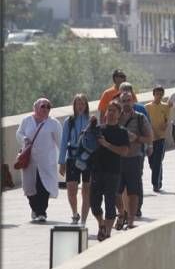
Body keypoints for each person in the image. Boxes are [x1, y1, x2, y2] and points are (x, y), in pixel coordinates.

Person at [16, 98, 61, 223]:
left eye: (48, 107)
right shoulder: (26, 121)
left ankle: (42, 212)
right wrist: (24, 139)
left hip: (46, 161)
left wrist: (64, 159)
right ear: (36, 108)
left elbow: (60, 142)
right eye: (43, 106)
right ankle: (34, 208)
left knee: (44, 186)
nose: (45, 109)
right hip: (29, 160)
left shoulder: (53, 123)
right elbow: (18, 133)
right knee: (29, 187)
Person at [91, 102, 130, 241]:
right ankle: (101, 224)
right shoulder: (98, 129)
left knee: (110, 202)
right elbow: (86, 145)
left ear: (119, 114)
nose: (111, 113)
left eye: (114, 111)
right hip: (96, 171)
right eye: (109, 110)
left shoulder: (122, 132)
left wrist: (107, 145)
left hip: (112, 172)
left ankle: (107, 233)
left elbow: (124, 151)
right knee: (94, 204)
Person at [115, 91, 153, 230]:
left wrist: (135, 138)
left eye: (128, 100)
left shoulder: (140, 118)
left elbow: (149, 138)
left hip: (134, 158)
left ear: (133, 101)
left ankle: (130, 220)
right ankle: (121, 214)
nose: (126, 103)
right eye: (123, 101)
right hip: (117, 159)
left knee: (133, 191)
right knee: (115, 191)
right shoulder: (115, 117)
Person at [58, 94, 91, 224]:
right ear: (74, 105)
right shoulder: (69, 121)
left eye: (83, 103)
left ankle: (83, 219)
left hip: (88, 158)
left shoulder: (91, 120)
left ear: (86, 105)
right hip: (72, 157)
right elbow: (63, 142)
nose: (81, 106)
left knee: (86, 190)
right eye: (78, 103)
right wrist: (61, 162)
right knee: (71, 188)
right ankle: (74, 213)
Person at [145, 86, 170, 193]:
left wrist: (165, 125)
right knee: (152, 162)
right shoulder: (147, 107)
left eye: (161, 94)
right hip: (150, 138)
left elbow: (167, 119)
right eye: (157, 94)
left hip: (161, 137)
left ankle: (156, 183)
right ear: (153, 94)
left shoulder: (165, 106)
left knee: (158, 160)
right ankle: (158, 179)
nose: (159, 96)